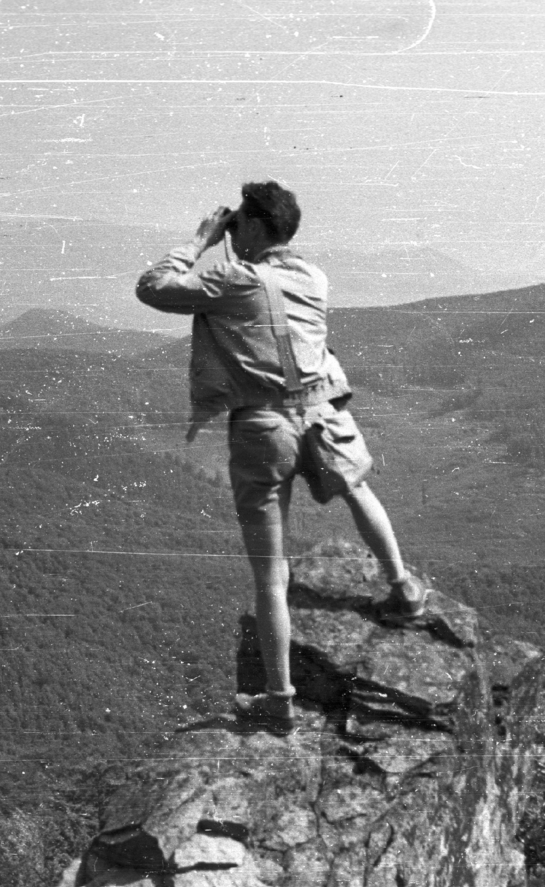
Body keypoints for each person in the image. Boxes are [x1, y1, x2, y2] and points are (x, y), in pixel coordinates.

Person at [135, 180, 426, 730]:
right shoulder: (313, 277)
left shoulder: (230, 278)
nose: (233, 230)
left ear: (255, 226)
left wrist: (200, 241)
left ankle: (279, 699)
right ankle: (403, 589)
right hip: (325, 415)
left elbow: (153, 287)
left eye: (240, 222)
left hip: (263, 428)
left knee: (270, 570)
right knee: (359, 491)